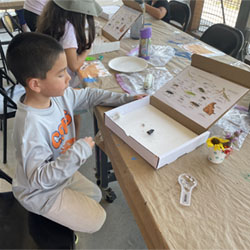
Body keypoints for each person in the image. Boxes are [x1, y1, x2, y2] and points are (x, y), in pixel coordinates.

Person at [6, 32, 146, 232]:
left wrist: (127, 99)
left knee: (95, 195)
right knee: (97, 219)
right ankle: (47, 220)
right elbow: (38, 179)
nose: (69, 78)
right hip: (39, 193)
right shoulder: (30, 127)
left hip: (59, 170)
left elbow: (89, 95)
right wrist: (78, 152)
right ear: (36, 84)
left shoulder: (57, 95)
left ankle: (63, 210)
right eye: (61, 74)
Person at [36, 0, 102, 138]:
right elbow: (74, 65)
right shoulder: (68, 28)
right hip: (61, 84)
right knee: (74, 115)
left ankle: (69, 139)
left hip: (48, 76)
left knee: (68, 116)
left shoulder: (52, 20)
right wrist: (87, 51)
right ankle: (72, 141)